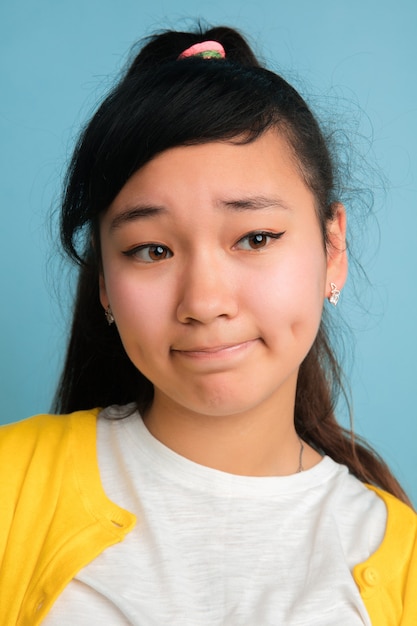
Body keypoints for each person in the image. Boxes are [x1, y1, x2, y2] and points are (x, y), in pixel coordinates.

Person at [0, 25, 416, 626]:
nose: (204, 301)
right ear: (104, 285)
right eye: (150, 250)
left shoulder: (397, 557)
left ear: (332, 249)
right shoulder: (11, 488)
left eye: (255, 237)